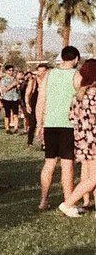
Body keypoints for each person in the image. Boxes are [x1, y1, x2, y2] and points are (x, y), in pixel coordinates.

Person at [36, 46, 81, 210]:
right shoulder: (76, 75)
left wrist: (39, 124)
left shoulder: (49, 74)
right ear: (76, 59)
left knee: (49, 163)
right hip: (68, 125)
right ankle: (68, 201)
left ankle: (43, 200)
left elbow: (41, 101)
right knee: (67, 165)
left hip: (50, 124)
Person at [58, 58, 96, 217]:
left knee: (89, 174)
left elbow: (72, 118)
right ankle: (68, 203)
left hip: (82, 140)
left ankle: (86, 203)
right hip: (94, 138)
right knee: (93, 178)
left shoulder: (78, 95)